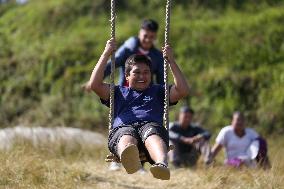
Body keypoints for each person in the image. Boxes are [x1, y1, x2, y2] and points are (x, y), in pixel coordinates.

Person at [85, 38, 189, 180]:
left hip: (150, 126)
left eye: (146, 72)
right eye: (137, 73)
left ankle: (162, 164)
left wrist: (171, 61)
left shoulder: (158, 91)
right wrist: (106, 54)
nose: (142, 76)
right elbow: (94, 85)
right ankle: (129, 158)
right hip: (124, 127)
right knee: (126, 134)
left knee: (152, 133)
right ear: (127, 76)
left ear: (151, 75)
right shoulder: (118, 92)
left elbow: (182, 90)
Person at [104, 19, 164, 86]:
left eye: (151, 37)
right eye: (145, 36)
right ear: (139, 33)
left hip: (146, 94)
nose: (148, 40)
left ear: (155, 37)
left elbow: (161, 80)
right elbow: (111, 65)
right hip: (125, 92)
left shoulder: (157, 56)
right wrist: (98, 78)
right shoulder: (129, 48)